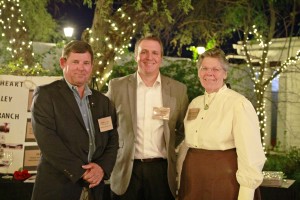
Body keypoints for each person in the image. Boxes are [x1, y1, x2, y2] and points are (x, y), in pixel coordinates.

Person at [31, 40, 119, 200]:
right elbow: (48, 142)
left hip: (94, 189)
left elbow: (112, 139)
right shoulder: (46, 95)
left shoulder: (103, 101)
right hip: (57, 188)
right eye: (75, 62)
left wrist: (102, 169)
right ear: (63, 63)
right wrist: (83, 172)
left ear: (91, 66)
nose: (81, 67)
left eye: (86, 63)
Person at [106, 35, 189, 200]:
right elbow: (108, 126)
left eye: (154, 53)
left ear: (161, 58)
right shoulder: (117, 86)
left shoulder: (178, 90)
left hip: (162, 172)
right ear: (136, 56)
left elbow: (183, 128)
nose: (149, 57)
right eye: (143, 52)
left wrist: (170, 143)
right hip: (126, 171)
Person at [178, 47, 266, 200]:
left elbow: (251, 153)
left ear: (225, 73)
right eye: (204, 68)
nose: (209, 73)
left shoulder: (238, 104)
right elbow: (186, 143)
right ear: (199, 72)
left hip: (224, 180)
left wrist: (246, 193)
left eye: (215, 69)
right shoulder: (195, 103)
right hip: (192, 179)